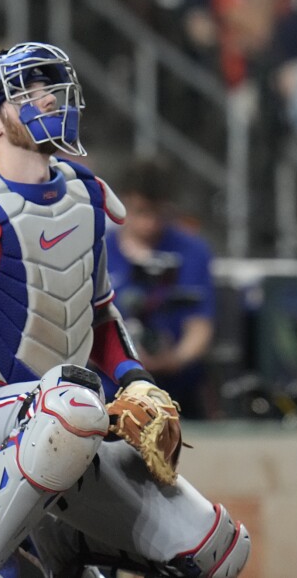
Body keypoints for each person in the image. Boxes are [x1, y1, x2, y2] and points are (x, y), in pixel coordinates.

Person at [0, 42, 249, 577]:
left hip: (66, 418)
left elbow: (102, 316)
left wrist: (136, 379)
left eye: (51, 87)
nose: (49, 100)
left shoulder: (86, 195)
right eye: (31, 93)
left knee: (220, 550)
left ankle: (57, 553)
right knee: (74, 405)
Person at [105, 157, 218, 419]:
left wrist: (175, 359)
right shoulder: (100, 250)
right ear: (122, 204)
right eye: (140, 211)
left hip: (176, 389)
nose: (149, 223)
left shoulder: (192, 251)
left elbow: (200, 326)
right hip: (112, 388)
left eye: (157, 213)